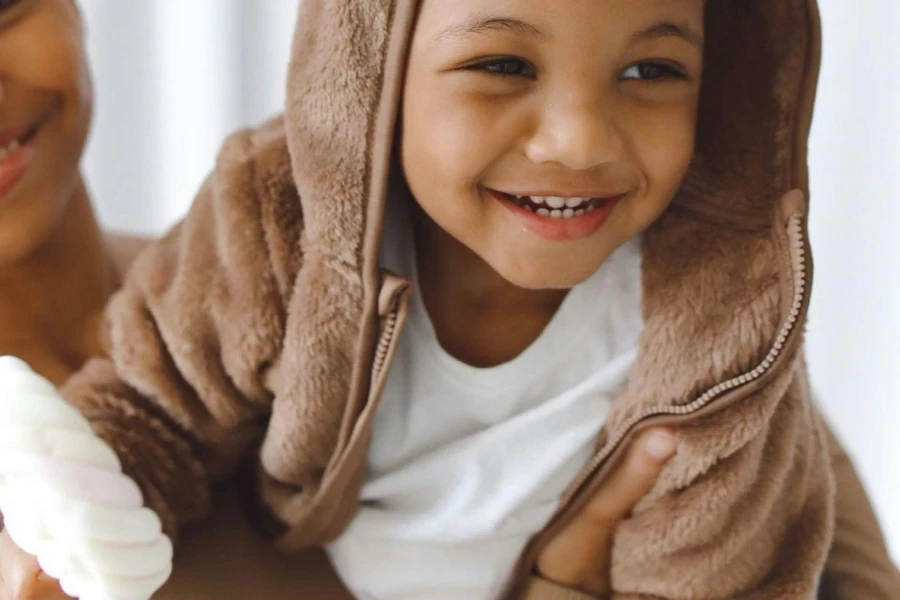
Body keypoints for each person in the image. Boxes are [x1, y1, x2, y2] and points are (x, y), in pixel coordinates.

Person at [1, 0, 899, 598]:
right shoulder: (276, 249)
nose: (580, 141)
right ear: (374, 70)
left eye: (652, 72)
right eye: (503, 62)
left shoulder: (715, 336)